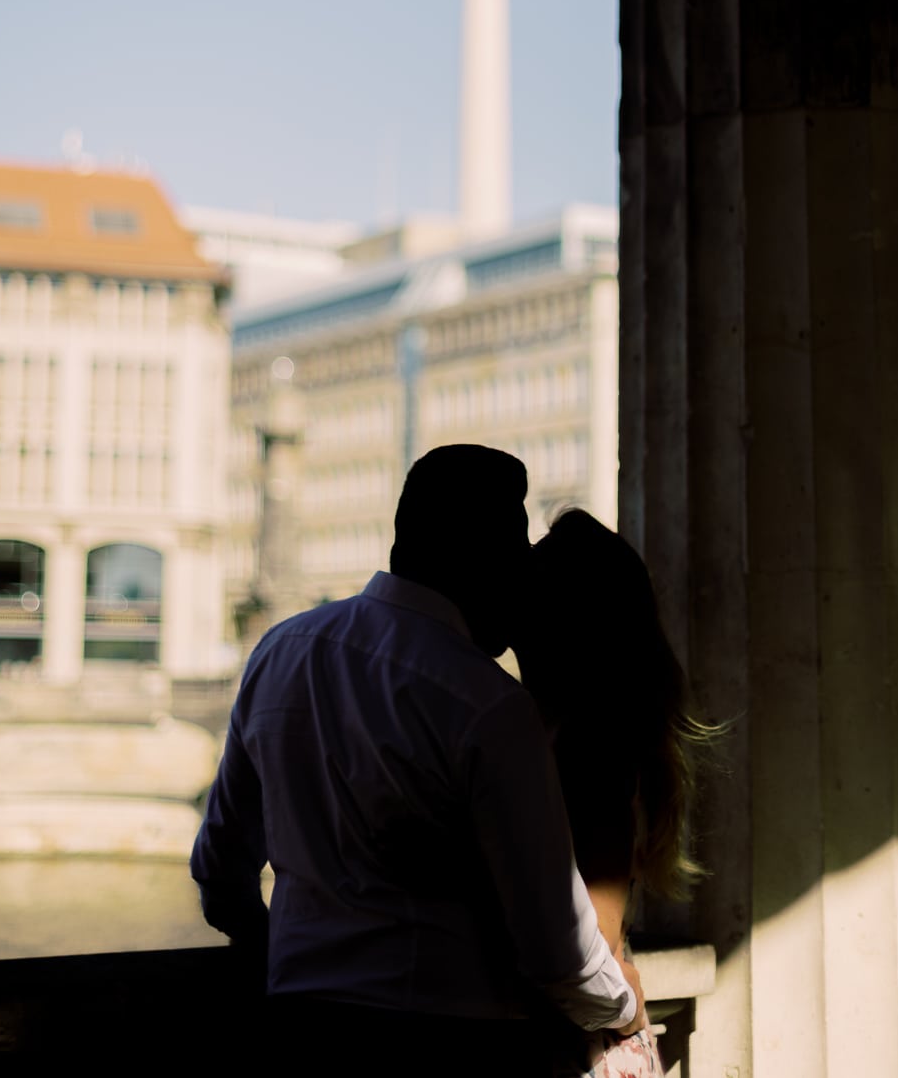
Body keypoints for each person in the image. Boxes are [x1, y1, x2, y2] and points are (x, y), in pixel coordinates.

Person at [191, 445, 644, 1078]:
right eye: (515, 549)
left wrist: (300, 958)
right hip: (448, 1042)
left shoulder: (280, 651)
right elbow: (556, 951)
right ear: (481, 556)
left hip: (295, 1031)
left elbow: (220, 877)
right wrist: (624, 1005)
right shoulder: (486, 703)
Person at [513, 508, 717, 1078]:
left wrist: (627, 1010)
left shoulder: (588, 748)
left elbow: (593, 946)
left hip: (580, 1050)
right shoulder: (561, 735)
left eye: (531, 596)